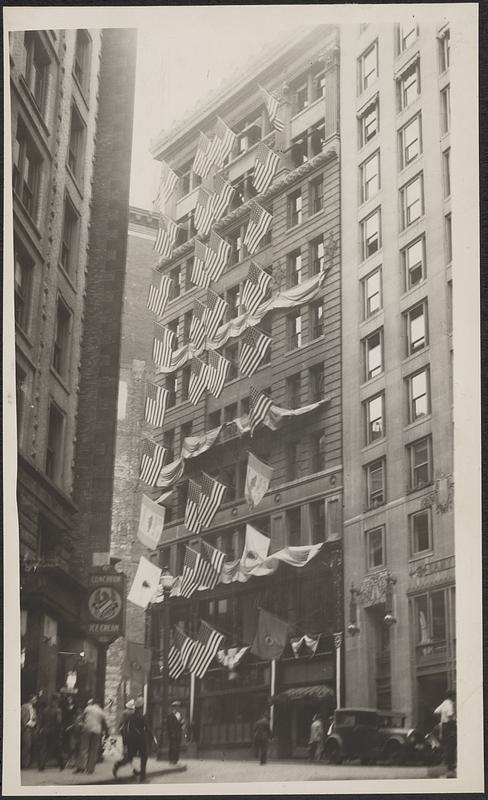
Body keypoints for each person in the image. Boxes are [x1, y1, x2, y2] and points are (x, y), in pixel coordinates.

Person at [113, 697, 155, 782]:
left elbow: (124, 727)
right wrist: (153, 736)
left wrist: (126, 740)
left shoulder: (130, 717)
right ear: (141, 708)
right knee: (144, 757)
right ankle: (142, 777)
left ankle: (117, 765)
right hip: (140, 740)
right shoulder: (141, 717)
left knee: (129, 757)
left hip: (131, 740)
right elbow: (147, 728)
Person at [74, 698, 109, 775]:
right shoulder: (101, 711)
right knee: (93, 750)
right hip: (97, 731)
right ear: (99, 705)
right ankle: (90, 769)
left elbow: (82, 718)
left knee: (84, 748)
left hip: (87, 729)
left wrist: (82, 725)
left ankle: (82, 767)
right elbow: (104, 724)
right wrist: (107, 733)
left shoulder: (88, 708)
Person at [37, 694, 64, 771]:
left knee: (43, 748)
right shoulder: (58, 710)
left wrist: (40, 729)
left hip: (45, 730)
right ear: (57, 700)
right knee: (57, 747)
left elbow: (41, 721)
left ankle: (41, 766)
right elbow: (59, 722)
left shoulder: (45, 709)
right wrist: (60, 732)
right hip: (54, 731)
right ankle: (61, 764)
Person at [434, 689, 457, 775]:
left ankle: (449, 765)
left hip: (444, 726)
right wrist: (454, 720)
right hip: (450, 726)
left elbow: (436, 711)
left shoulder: (444, 703)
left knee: (447, 746)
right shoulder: (450, 704)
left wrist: (441, 720)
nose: (455, 697)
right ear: (451, 696)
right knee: (451, 745)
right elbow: (450, 716)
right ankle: (450, 766)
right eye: (454, 696)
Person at [20, 694, 37, 768]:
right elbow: (22, 717)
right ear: (30, 699)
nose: (35, 700)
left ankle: (27, 762)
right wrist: (25, 725)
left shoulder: (33, 708)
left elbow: (34, 717)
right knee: (27, 745)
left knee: (30, 745)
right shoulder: (24, 707)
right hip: (26, 728)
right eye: (34, 699)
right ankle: (23, 763)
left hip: (32, 728)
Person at [166, 700, 184, 765]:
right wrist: (172, 733)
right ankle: (171, 760)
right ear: (173, 708)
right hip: (173, 734)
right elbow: (170, 726)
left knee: (177, 747)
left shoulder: (179, 715)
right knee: (172, 747)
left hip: (178, 734)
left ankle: (176, 760)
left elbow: (180, 724)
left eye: (178, 707)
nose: (178, 708)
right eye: (176, 707)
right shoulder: (170, 716)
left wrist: (182, 723)